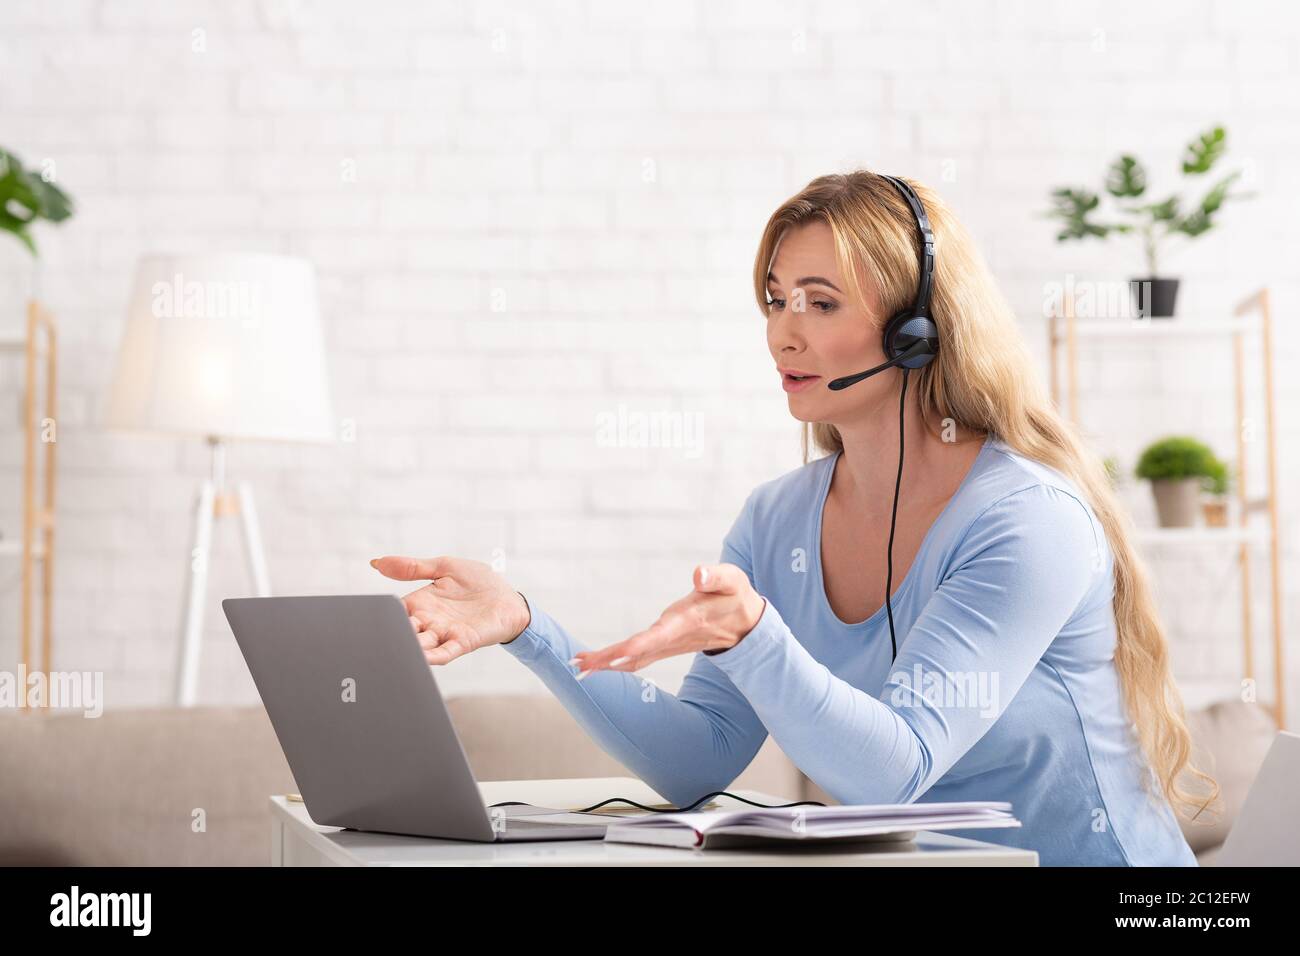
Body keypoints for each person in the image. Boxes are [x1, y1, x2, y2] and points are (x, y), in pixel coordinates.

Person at [372, 170, 1216, 866]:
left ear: (917, 329)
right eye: (775, 301)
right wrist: (527, 626)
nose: (784, 333)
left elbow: (896, 774)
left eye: (821, 302)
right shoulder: (777, 519)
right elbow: (696, 757)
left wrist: (754, 636)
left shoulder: (1026, 519)